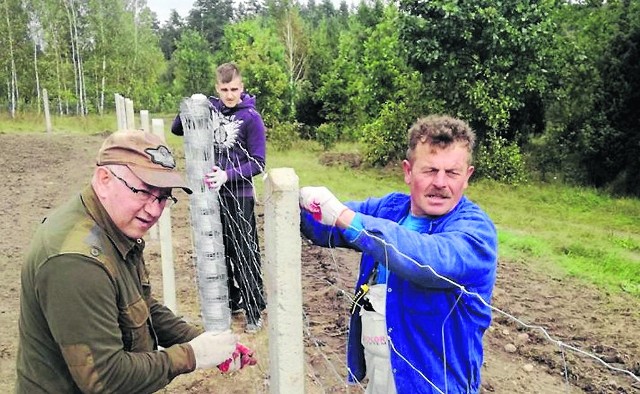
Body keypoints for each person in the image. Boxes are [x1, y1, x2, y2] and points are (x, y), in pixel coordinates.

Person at [16, 129, 256, 393]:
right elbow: (106, 380)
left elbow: (140, 305)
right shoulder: (76, 262)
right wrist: (191, 355)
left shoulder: (113, 229)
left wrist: (202, 341)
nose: (154, 209)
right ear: (104, 179)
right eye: (142, 191)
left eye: (163, 196)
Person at [299, 115, 498, 393]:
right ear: (408, 171)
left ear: (467, 176)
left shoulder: (476, 231)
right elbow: (325, 227)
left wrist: (346, 217)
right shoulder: (391, 209)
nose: (441, 182)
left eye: (452, 173)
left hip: (433, 384)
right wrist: (293, 202)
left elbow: (430, 259)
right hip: (381, 372)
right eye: (429, 170)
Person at [171, 62, 267, 333]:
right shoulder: (211, 110)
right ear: (217, 88)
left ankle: (253, 308)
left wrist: (228, 174)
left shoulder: (251, 118)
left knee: (244, 251)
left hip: (240, 194)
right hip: (212, 196)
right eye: (224, 89)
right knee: (219, 249)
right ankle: (233, 299)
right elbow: (178, 129)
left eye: (234, 88)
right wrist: (194, 103)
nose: (229, 94)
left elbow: (259, 163)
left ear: (242, 87)